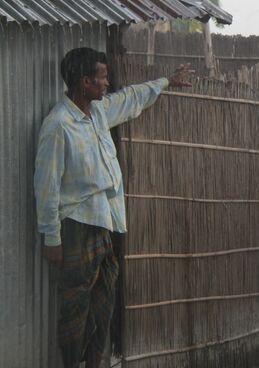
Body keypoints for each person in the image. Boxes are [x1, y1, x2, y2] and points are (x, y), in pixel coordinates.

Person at [34, 47, 192, 368]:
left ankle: (94, 363)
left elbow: (131, 98)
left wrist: (166, 82)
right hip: (76, 228)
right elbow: (46, 187)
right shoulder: (58, 125)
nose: (107, 83)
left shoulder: (99, 113)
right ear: (84, 81)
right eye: (102, 78)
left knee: (102, 305)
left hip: (105, 224)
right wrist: (52, 237)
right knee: (74, 309)